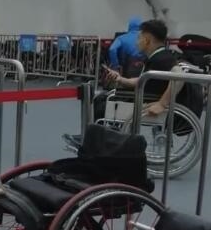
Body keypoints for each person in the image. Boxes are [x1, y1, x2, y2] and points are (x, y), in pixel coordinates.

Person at [64, 19, 178, 147]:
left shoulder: (163, 58)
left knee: (101, 102)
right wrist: (120, 79)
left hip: (145, 100)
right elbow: (141, 80)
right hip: (143, 96)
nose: (137, 42)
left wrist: (162, 104)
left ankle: (93, 140)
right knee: (102, 98)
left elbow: (179, 75)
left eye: (139, 38)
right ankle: (97, 137)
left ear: (147, 40)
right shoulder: (157, 57)